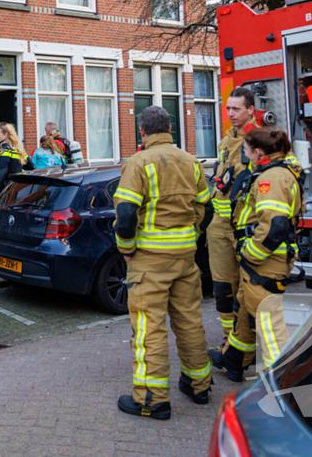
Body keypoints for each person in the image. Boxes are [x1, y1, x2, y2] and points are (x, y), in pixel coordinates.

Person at [113, 106, 214, 420]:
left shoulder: (139, 162)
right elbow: (206, 211)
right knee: (189, 321)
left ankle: (151, 400)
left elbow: (126, 215)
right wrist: (190, 237)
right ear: (169, 128)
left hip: (149, 260)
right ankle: (199, 386)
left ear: (142, 132)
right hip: (185, 258)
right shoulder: (191, 162)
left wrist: (126, 249)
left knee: (148, 328)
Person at [209, 127, 303, 382]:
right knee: (243, 315)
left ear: (258, 152)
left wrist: (251, 254)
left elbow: (275, 225)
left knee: (268, 324)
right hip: (264, 262)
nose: (244, 153)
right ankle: (234, 361)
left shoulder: (269, 179)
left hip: (264, 263)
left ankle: (284, 380)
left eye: (247, 150)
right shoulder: (276, 171)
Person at [208, 87, 258, 343]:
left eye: (236, 109)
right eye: (228, 109)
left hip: (245, 226)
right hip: (219, 227)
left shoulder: (262, 140)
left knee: (248, 290)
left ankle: (247, 345)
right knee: (222, 289)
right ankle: (229, 341)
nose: (231, 114)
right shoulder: (226, 142)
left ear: (251, 110)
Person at [0, 123, 29, 197]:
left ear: (5, 135)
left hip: (7, 187)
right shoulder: (18, 148)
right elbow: (31, 166)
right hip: (18, 186)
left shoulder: (4, 148)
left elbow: (2, 170)